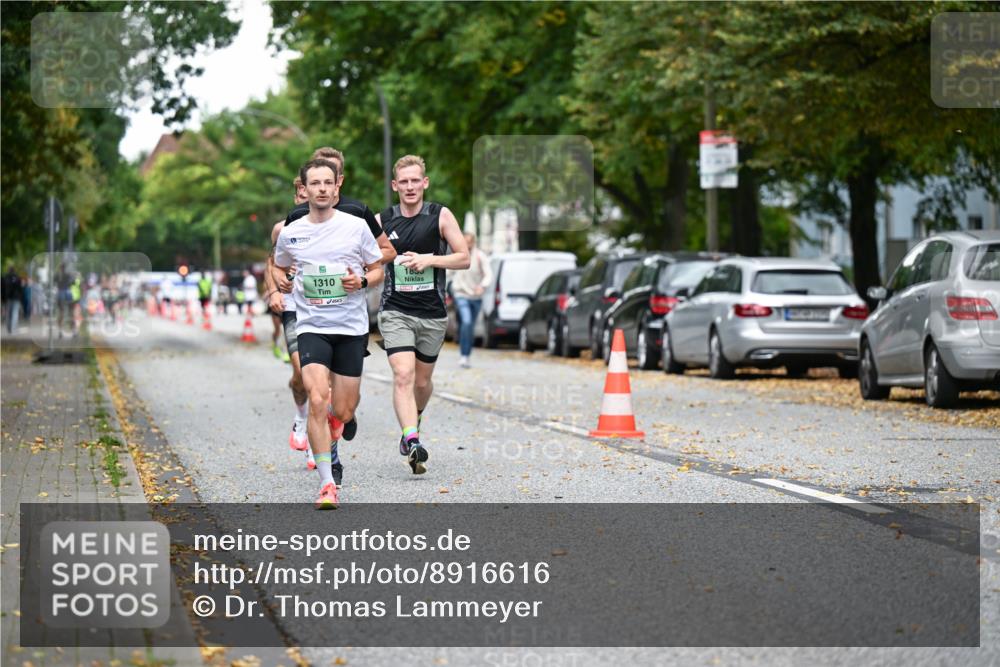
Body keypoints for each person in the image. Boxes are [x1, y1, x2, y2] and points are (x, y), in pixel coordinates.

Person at [266, 149, 396, 470]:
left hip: (348, 320)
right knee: (312, 386)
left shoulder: (357, 216)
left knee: (344, 405)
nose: (324, 188)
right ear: (304, 187)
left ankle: (336, 420)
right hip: (305, 314)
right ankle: (321, 453)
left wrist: (362, 279)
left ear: (339, 182)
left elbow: (383, 254)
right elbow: (276, 262)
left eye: (330, 180)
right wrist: (276, 287)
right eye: (315, 182)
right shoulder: (293, 223)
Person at [378, 155, 469, 475]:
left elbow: (464, 258)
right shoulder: (382, 220)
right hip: (396, 310)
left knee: (423, 381)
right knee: (403, 374)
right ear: (395, 186)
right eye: (403, 181)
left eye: (415, 180)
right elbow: (365, 256)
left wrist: (430, 260)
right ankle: (412, 439)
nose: (410, 186)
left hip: (432, 312)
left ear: (424, 182)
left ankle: (413, 418)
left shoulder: (440, 215)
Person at [450, 232, 493, 368]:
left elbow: (488, 275)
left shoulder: (480, 257)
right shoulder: (457, 255)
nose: (466, 244)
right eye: (464, 241)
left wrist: (482, 286)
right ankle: (463, 355)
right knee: (467, 321)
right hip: (461, 294)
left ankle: (467, 355)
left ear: (473, 243)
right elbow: (448, 271)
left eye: (469, 242)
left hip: (475, 296)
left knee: (470, 326)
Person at [2, 266, 23, 334]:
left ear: (8, 270)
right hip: (16, 298)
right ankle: (13, 328)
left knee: (8, 313)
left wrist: (2, 298)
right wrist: (21, 298)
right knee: (15, 313)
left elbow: (2, 289)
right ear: (14, 271)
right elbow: (20, 289)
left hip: (7, 298)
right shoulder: (18, 278)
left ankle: (9, 328)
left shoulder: (4, 278)